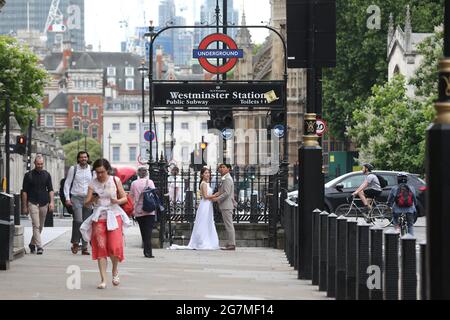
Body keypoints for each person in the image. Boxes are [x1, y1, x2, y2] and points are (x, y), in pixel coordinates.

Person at [80, 158, 132, 289]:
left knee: (114, 247)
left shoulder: (115, 180)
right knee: (101, 248)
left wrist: (117, 201)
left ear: (107, 170)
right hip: (99, 218)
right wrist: (93, 199)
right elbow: (86, 203)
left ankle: (115, 270)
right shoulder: (92, 183)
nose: (100, 175)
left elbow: (125, 197)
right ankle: (103, 279)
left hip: (114, 215)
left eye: (102, 172)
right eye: (97, 172)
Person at [21, 155, 54, 255]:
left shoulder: (47, 175)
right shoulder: (28, 175)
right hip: (32, 202)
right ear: (34, 163)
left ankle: (32, 243)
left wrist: (52, 202)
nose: (40, 166)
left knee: (41, 226)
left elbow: (51, 189)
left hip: (44, 203)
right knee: (36, 224)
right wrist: (24, 206)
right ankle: (39, 246)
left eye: (41, 164)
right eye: (38, 164)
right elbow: (24, 192)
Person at [64, 151, 94, 255]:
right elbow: (67, 184)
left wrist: (94, 199)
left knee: (86, 222)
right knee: (78, 220)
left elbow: (94, 184)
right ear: (78, 159)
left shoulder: (91, 169)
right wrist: (67, 198)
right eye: (81, 157)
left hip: (88, 198)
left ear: (87, 158)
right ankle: (76, 243)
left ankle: (85, 247)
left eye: (85, 157)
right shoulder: (74, 169)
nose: (83, 159)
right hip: (76, 197)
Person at [187, 167, 220, 250]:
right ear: (202, 175)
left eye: (208, 173)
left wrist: (215, 198)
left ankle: (208, 239)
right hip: (205, 205)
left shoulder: (206, 183)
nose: (208, 174)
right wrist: (215, 195)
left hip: (208, 205)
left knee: (208, 222)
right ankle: (202, 241)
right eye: (205, 173)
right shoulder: (203, 183)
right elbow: (205, 196)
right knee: (203, 222)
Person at [130, 166, 157, 258]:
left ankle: (146, 251)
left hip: (138, 210)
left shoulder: (134, 183)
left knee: (143, 231)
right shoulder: (150, 182)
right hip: (149, 210)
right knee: (148, 231)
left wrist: (132, 210)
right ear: (146, 173)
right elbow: (153, 194)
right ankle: (148, 252)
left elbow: (131, 197)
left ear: (138, 174)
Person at [211, 163, 237, 251]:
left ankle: (232, 244)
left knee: (229, 225)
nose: (221, 169)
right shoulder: (224, 178)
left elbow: (226, 193)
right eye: (220, 167)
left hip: (227, 205)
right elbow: (221, 191)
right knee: (228, 225)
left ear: (228, 169)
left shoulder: (227, 179)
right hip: (225, 205)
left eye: (223, 167)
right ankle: (229, 243)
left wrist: (217, 199)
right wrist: (215, 195)